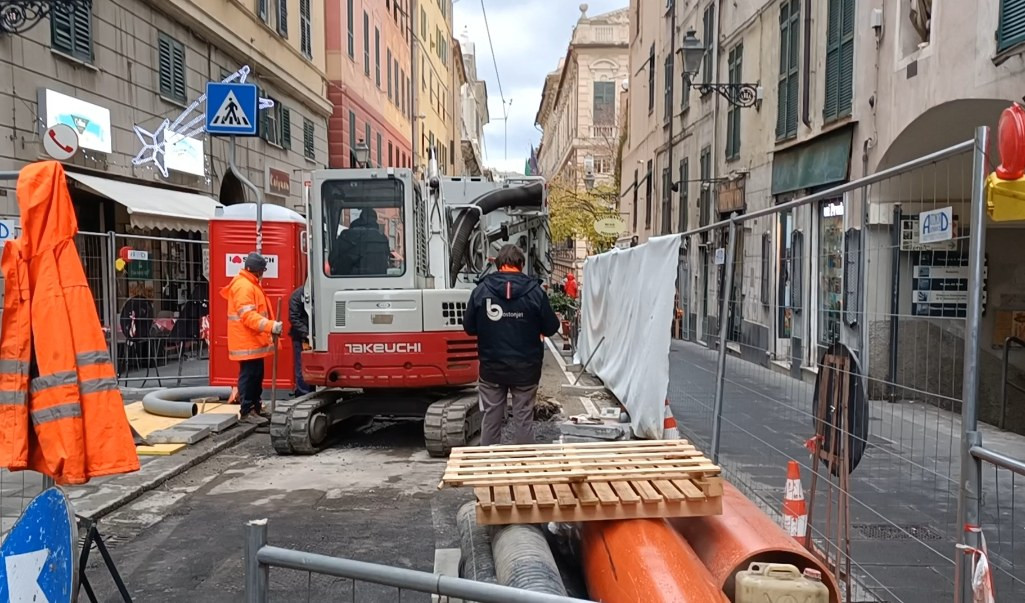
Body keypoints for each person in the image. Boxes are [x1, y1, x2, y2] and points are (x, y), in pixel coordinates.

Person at [463, 245, 560, 445]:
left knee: (491, 418)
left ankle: (488, 466)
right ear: (521, 265)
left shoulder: (481, 290)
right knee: (523, 419)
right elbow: (551, 328)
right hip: (526, 368)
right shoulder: (535, 292)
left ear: (498, 265)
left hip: (492, 367)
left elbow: (469, 328)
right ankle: (524, 467)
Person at [220, 252, 282, 424]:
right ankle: (247, 410)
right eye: (262, 270)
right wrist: (271, 326)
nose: (263, 274)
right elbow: (248, 316)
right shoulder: (244, 286)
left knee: (256, 375)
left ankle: (255, 407)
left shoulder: (250, 284)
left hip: (252, 340)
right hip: (246, 341)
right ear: (256, 270)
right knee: (249, 376)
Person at [329, 208, 391, 275]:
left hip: (347, 280)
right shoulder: (382, 238)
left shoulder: (346, 235)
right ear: (375, 220)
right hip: (378, 280)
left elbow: (332, 259)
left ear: (360, 218)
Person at [288, 284, 313, 397]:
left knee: (311, 366)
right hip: (301, 338)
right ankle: (303, 394)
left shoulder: (317, 294)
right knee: (301, 367)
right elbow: (294, 317)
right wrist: (307, 334)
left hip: (313, 336)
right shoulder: (298, 295)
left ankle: (310, 392)